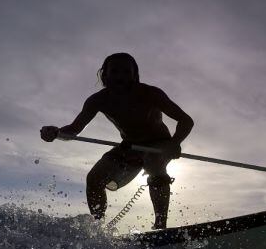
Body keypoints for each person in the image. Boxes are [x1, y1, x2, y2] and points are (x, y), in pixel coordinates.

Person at [40, 52, 194, 229]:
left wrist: (175, 143)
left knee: (153, 164)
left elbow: (185, 120)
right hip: (129, 146)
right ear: (105, 75)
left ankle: (160, 226)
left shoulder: (152, 94)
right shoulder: (98, 100)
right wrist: (56, 132)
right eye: (115, 71)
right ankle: (98, 228)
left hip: (158, 144)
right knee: (94, 178)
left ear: (134, 76)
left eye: (126, 72)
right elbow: (74, 130)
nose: (121, 76)